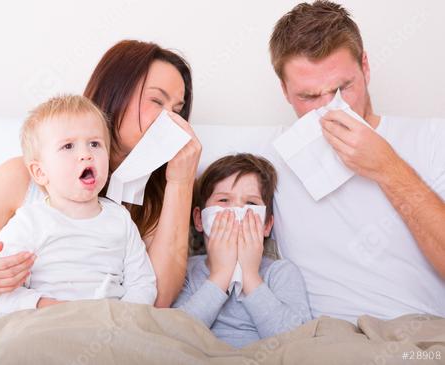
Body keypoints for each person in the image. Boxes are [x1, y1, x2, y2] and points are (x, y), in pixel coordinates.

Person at [0, 40, 201, 308]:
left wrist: (181, 181)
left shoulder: (155, 194)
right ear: (116, 93)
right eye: (157, 101)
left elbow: (158, 301)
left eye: (177, 109)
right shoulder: (21, 178)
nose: (171, 121)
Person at [264, 0, 445, 323]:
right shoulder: (272, 157)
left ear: (365, 67)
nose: (330, 108)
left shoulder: (432, 138)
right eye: (308, 96)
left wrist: (388, 168)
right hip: (326, 343)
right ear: (284, 91)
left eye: (342, 88)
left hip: (417, 336)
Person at [0, 94, 156, 317]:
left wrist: (124, 318)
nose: (86, 155)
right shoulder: (29, 222)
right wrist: (47, 306)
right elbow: (1, 295)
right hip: (45, 322)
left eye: (95, 144)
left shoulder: (120, 219)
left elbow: (143, 283)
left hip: (110, 324)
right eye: (68, 146)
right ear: (40, 172)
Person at [173, 154, 311, 348]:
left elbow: (299, 341)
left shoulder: (281, 272)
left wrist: (250, 276)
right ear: (199, 219)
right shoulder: (185, 271)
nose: (237, 210)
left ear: (266, 225)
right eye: (223, 200)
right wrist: (221, 275)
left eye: (251, 204)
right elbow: (173, 335)